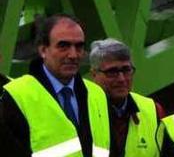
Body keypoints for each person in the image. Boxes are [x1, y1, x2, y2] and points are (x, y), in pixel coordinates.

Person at [0, 13, 111, 157]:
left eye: (79, 47)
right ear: (43, 50)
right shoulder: (16, 95)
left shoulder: (97, 94)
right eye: (63, 46)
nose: (73, 55)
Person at [90, 39, 165, 156]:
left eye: (126, 70)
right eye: (112, 72)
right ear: (94, 75)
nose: (121, 79)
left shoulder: (154, 111)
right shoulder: (81, 112)